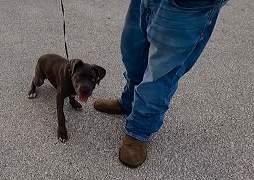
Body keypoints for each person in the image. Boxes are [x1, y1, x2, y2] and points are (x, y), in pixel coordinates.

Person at [93, 0, 229, 168]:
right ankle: (129, 102)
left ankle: (140, 129)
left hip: (186, 6)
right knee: (132, 51)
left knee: (160, 74)